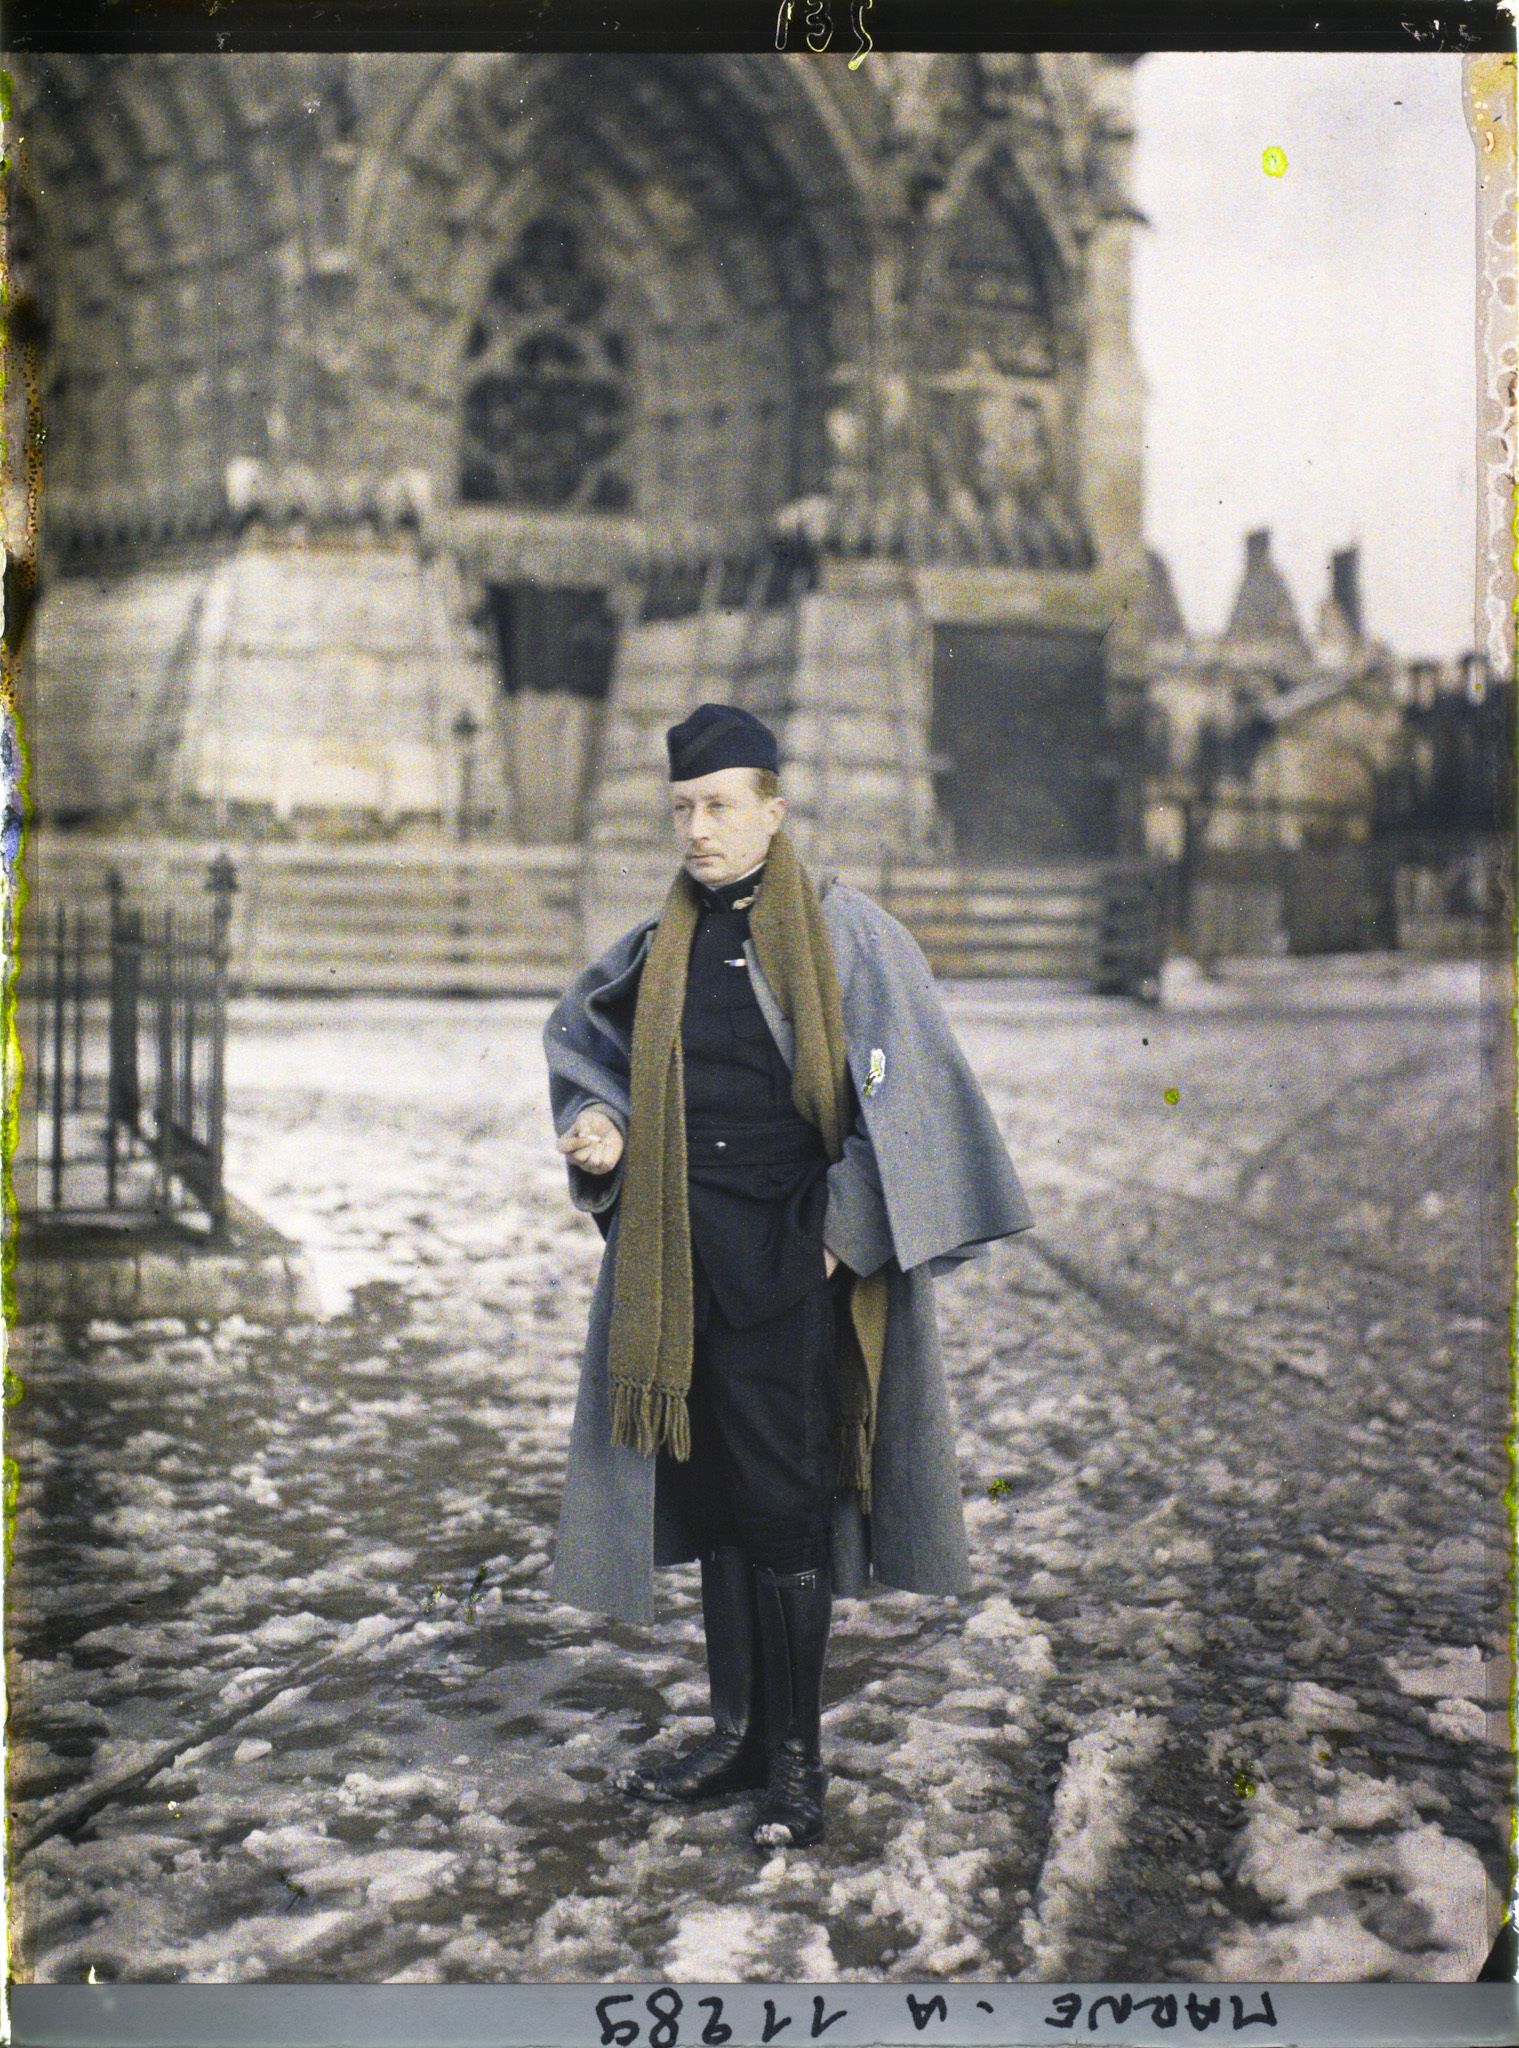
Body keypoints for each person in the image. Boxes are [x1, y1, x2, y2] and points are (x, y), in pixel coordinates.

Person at [543, 702, 1032, 1849]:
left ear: (771, 807)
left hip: (786, 1261)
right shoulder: (661, 942)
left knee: (783, 1503)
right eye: (680, 808)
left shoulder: (844, 933)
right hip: (679, 1254)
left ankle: (797, 1755)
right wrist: (599, 1122)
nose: (696, 829)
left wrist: (838, 1234)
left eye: (717, 805)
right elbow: (587, 1044)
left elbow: (906, 1098)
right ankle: (736, 1734)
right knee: (715, 1497)